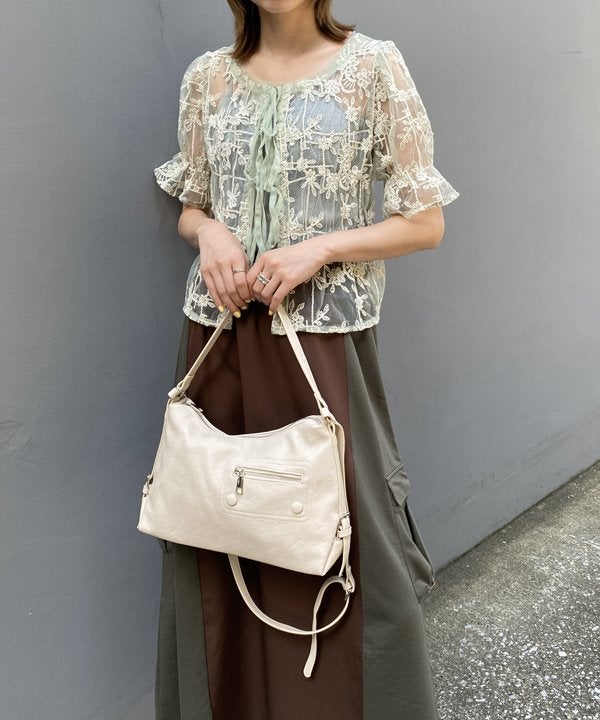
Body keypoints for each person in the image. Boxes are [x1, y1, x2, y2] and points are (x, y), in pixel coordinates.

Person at [152, 1, 459, 718]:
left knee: (348, 539)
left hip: (321, 345)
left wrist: (320, 248)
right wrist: (209, 234)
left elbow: (425, 223)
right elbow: (192, 205)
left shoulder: (372, 68)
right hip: (218, 341)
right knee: (214, 526)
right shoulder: (207, 78)